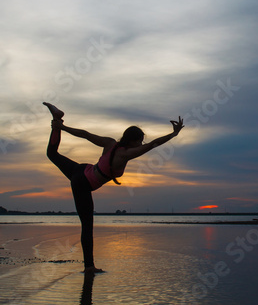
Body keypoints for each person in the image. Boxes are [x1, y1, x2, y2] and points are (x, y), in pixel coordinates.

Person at [43, 102, 184, 274]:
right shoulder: (125, 154)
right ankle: (89, 267)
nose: (141, 144)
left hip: (81, 170)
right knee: (87, 226)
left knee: (52, 154)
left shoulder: (110, 143)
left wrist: (62, 128)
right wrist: (174, 134)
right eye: (139, 141)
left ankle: (57, 120)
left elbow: (85, 134)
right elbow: (153, 144)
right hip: (82, 183)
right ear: (132, 141)